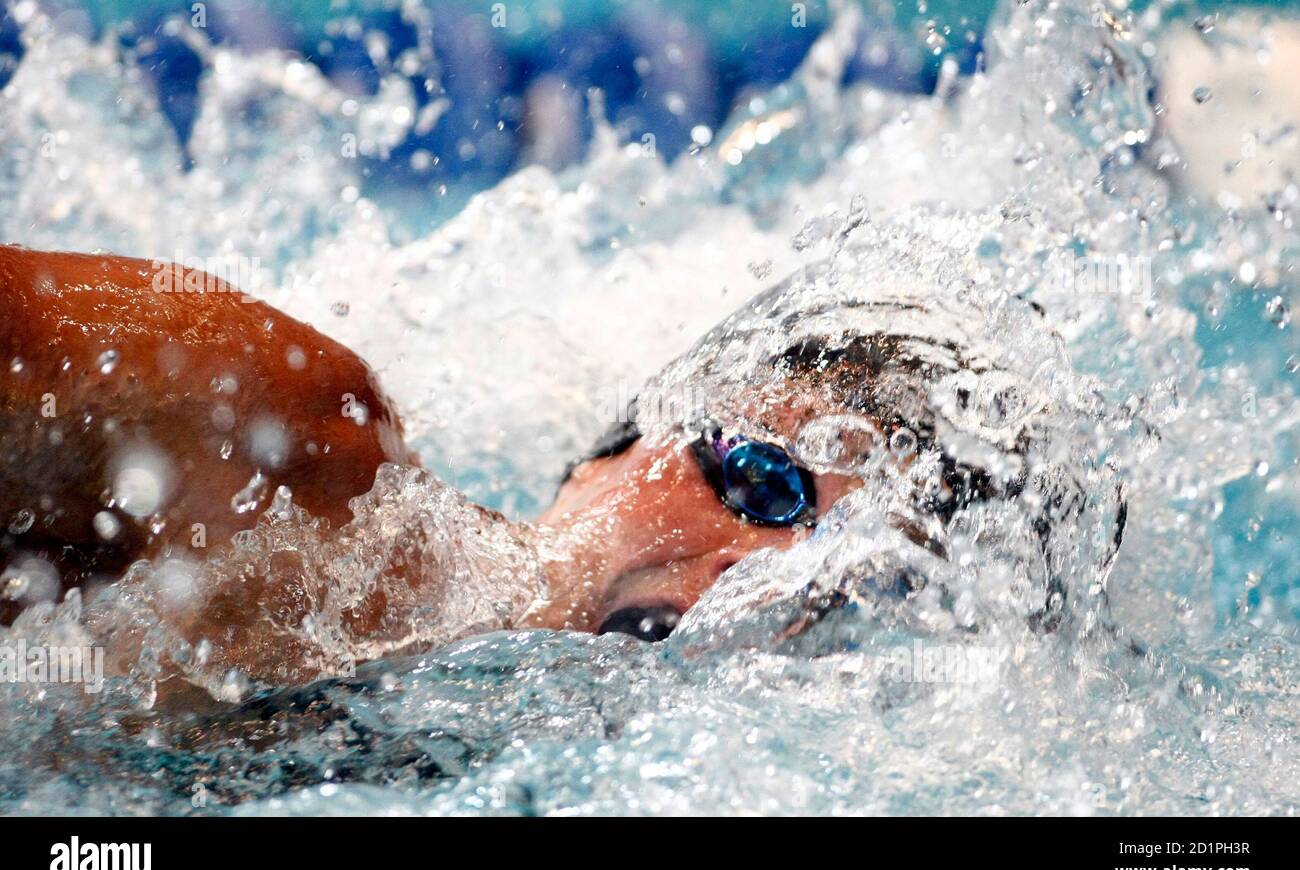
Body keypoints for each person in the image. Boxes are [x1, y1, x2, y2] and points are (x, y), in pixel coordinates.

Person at [1, 244, 1102, 695]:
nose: (753, 576)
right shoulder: (283, 429)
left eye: (843, 588)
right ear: (616, 449)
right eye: (766, 486)